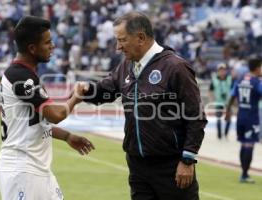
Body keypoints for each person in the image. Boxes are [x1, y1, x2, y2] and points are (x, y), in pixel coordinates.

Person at [81, 11, 207, 200]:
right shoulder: (127, 66)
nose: (117, 47)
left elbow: (195, 116)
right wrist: (85, 90)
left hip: (171, 166)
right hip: (137, 167)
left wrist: (187, 159)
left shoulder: (175, 67)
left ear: (140, 37)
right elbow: (105, 91)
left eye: (122, 40)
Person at [0, 16, 95, 200]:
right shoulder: (20, 76)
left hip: (38, 169)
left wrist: (67, 136)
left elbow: (37, 122)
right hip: (21, 169)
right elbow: (55, 115)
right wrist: (76, 97)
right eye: (48, 42)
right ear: (32, 48)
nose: (53, 46)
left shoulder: (24, 75)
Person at [226, 57, 262, 184]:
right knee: (249, 144)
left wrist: (227, 111)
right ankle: (244, 175)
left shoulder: (241, 79)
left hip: (240, 116)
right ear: (258, 67)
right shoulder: (257, 82)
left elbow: (232, 96)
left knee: (243, 143)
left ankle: (243, 172)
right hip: (251, 118)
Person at [209, 63, 232, 139]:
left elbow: (233, 89)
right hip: (218, 102)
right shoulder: (214, 79)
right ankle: (219, 135)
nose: (222, 72)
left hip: (228, 102)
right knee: (218, 119)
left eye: (223, 70)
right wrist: (212, 99)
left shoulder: (229, 78)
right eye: (220, 70)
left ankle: (226, 133)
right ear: (218, 71)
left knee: (228, 119)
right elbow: (210, 90)